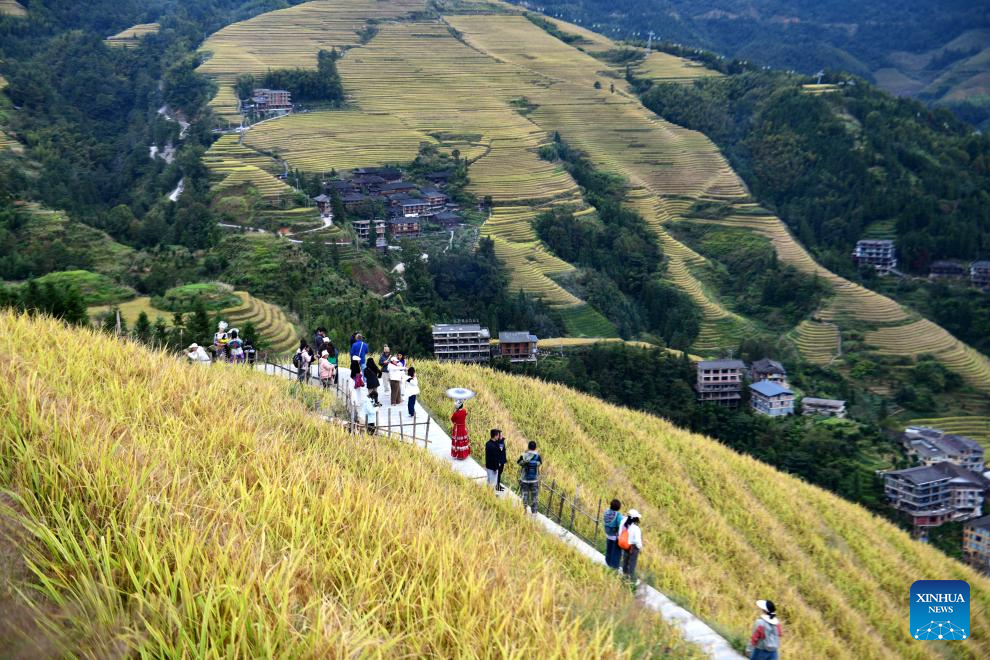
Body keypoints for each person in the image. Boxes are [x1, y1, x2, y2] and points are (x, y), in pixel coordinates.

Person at [517, 440, 542, 513]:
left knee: (524, 495)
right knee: (534, 497)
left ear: (528, 447)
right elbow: (539, 463)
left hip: (524, 479)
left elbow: (519, 463)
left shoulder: (523, 455)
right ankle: (534, 512)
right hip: (534, 480)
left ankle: (524, 510)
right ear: (535, 447)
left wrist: (525, 462)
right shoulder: (537, 456)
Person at [620, 509, 642, 582]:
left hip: (626, 545)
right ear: (635, 518)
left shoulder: (624, 524)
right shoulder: (636, 528)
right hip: (633, 547)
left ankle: (624, 574)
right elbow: (638, 541)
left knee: (625, 561)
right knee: (632, 563)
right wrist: (640, 547)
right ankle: (629, 579)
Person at [603, 499, 624, 570]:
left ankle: (607, 562)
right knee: (614, 551)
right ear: (618, 507)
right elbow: (620, 524)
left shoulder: (607, 511)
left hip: (608, 534)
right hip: (614, 535)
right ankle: (613, 566)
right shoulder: (618, 515)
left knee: (608, 549)